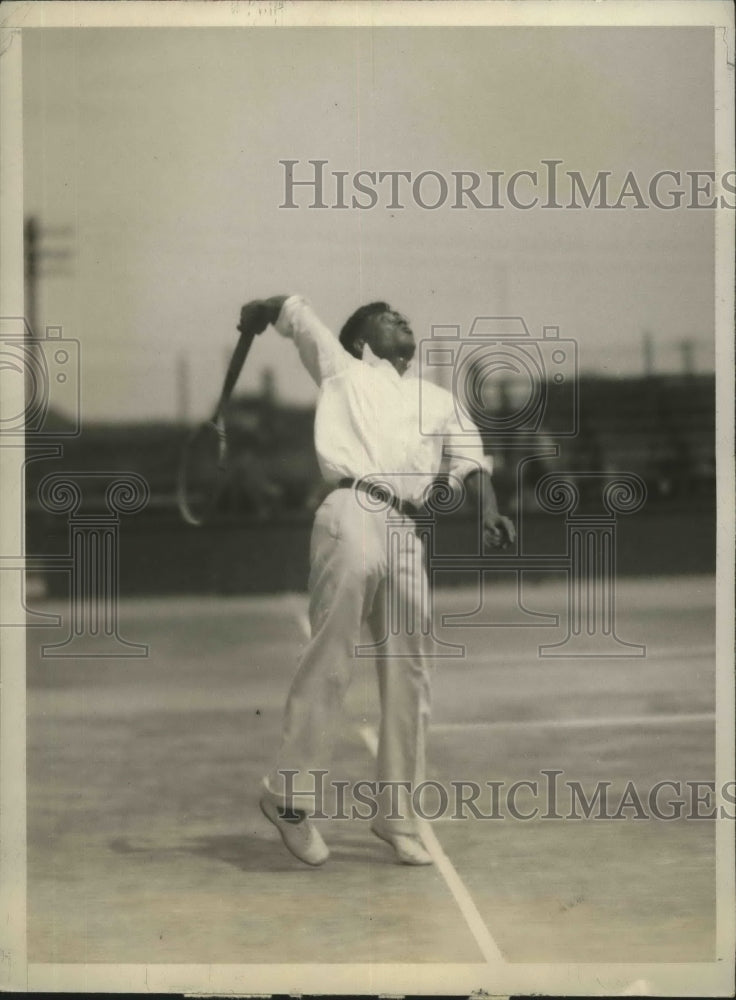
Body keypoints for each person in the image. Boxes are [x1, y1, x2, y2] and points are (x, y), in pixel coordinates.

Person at [236, 295, 515, 866]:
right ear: (360, 340)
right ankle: (288, 798)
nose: (403, 319)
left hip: (409, 532)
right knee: (332, 655)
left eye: (403, 316)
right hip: (351, 511)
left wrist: (487, 510)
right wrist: (262, 309)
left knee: (412, 674)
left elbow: (470, 463)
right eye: (387, 317)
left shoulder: (439, 399)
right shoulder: (341, 369)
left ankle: (398, 817)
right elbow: (294, 313)